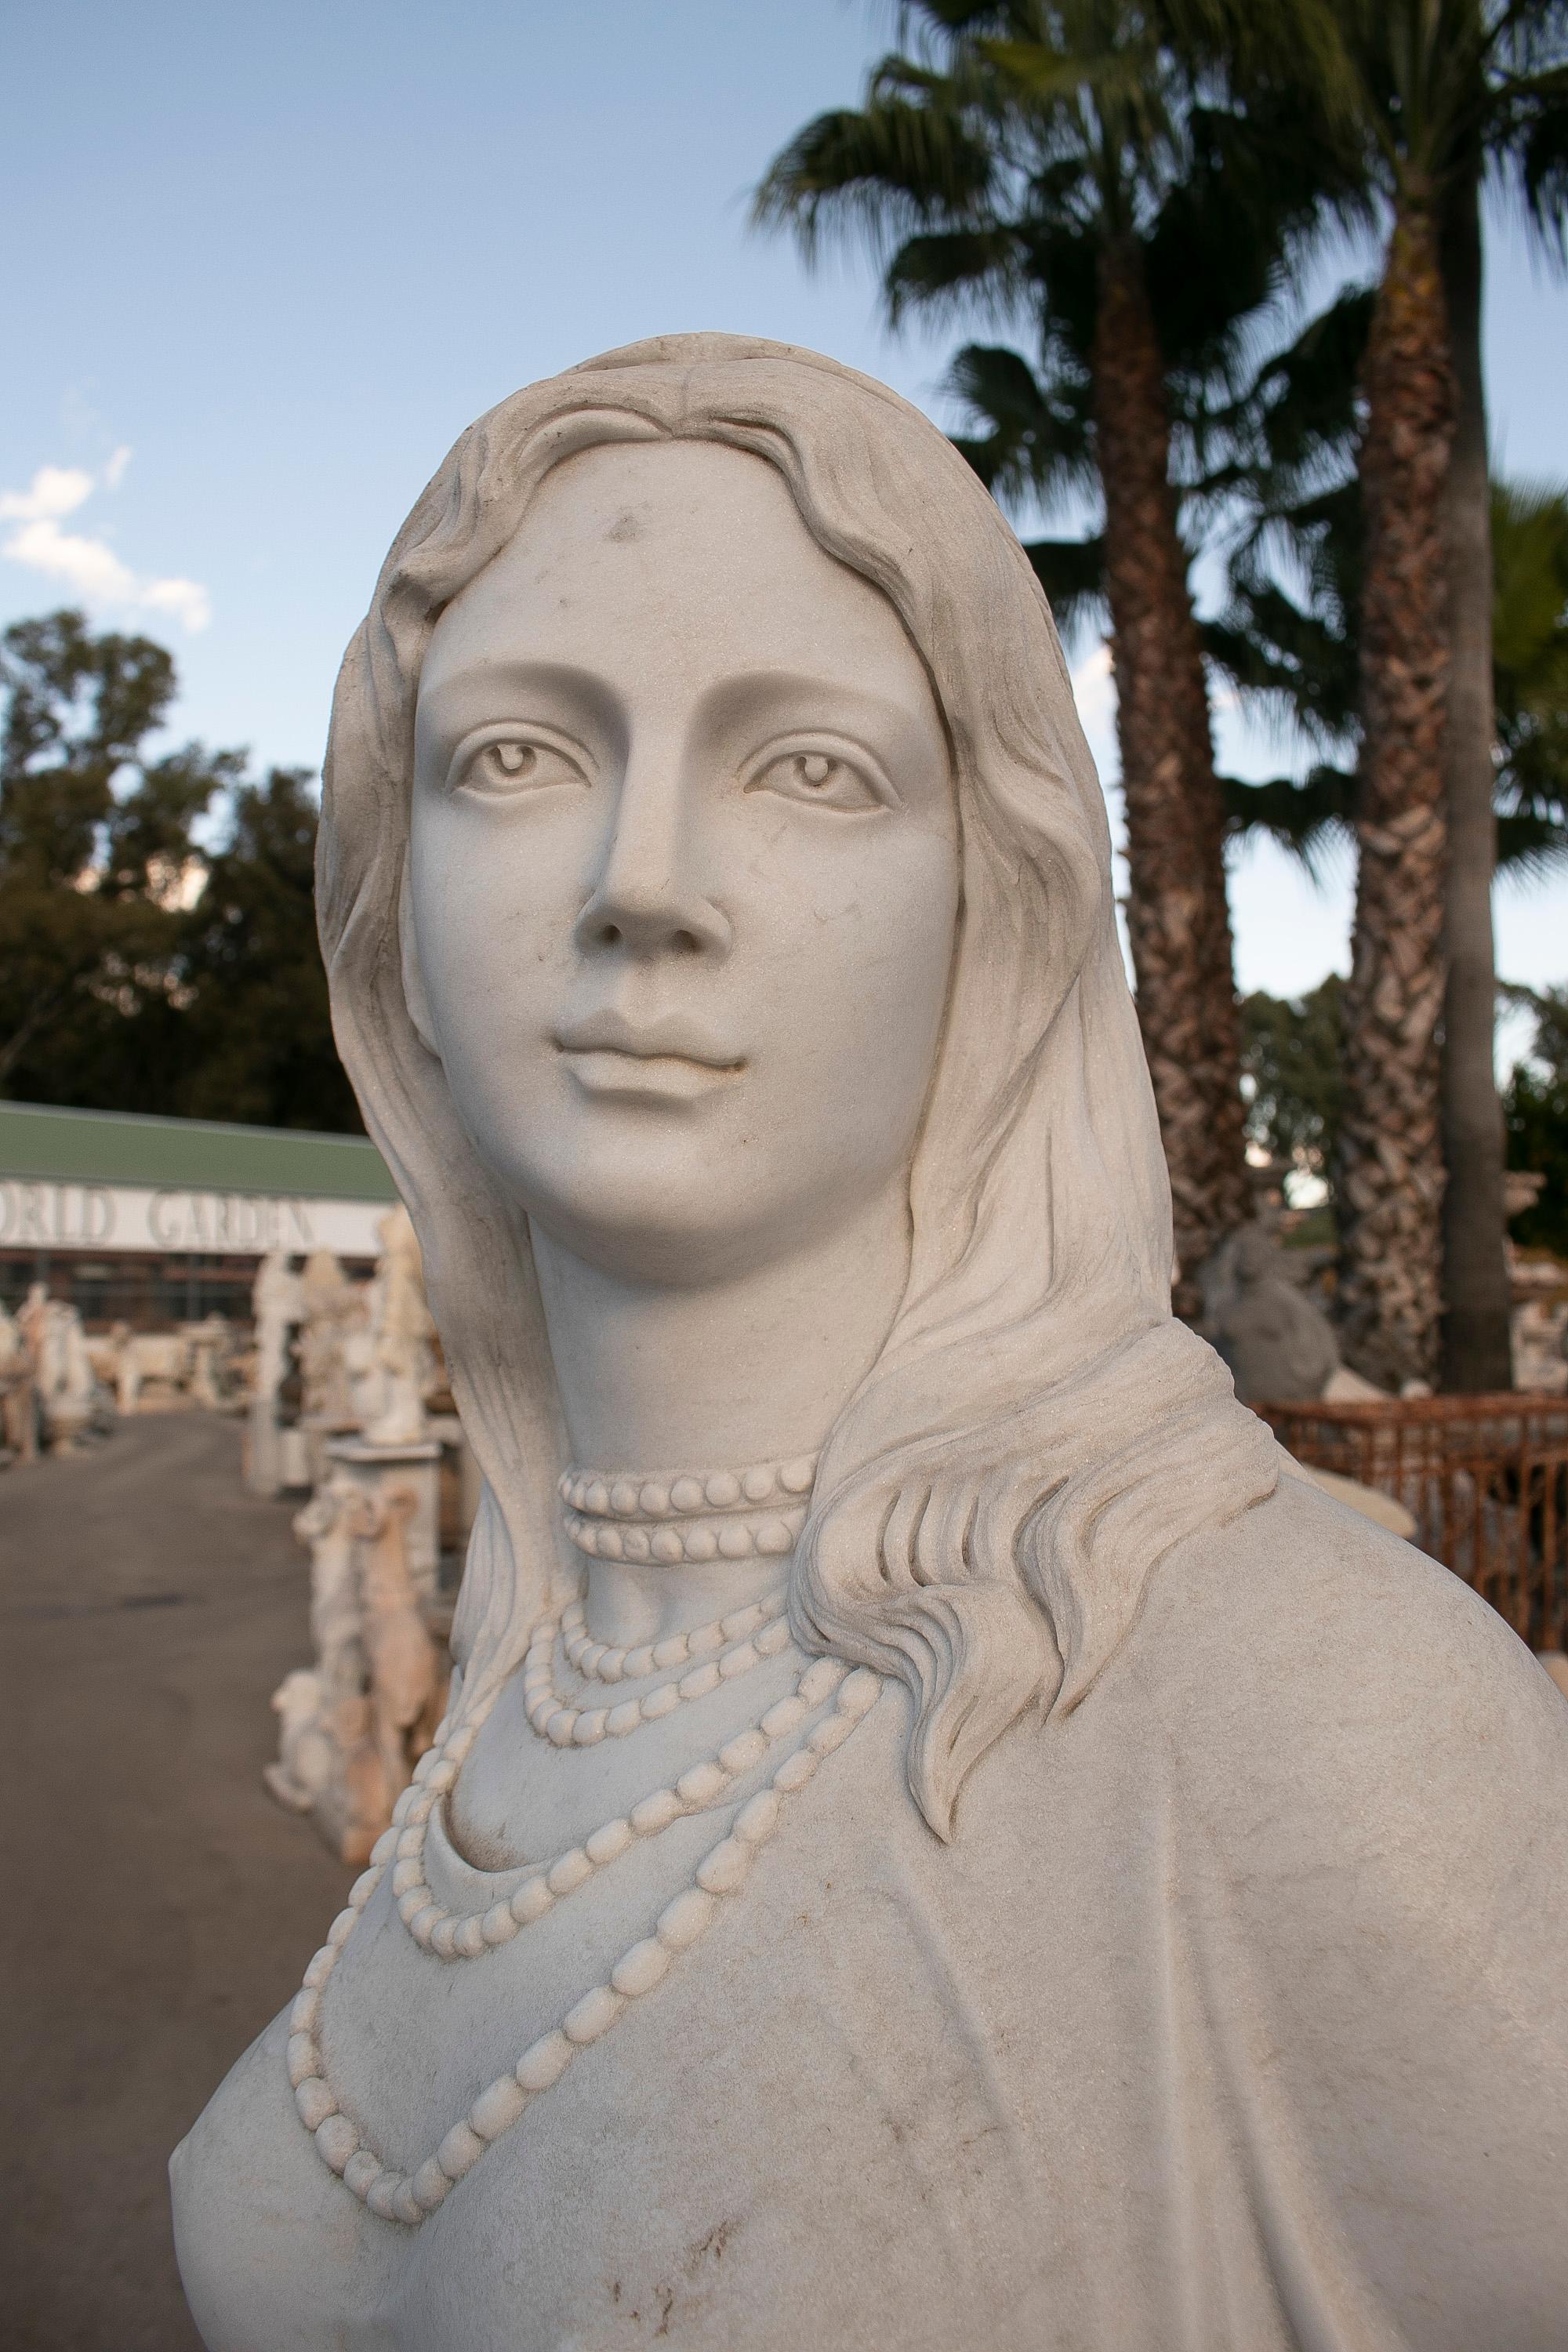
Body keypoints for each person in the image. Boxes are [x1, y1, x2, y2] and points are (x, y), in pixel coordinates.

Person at [172, 336, 1568, 2352]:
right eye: (518, 757)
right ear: (388, 901)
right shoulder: (552, 1680)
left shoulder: (1303, 1717)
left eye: (805, 769)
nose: (640, 885)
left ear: (991, 909)